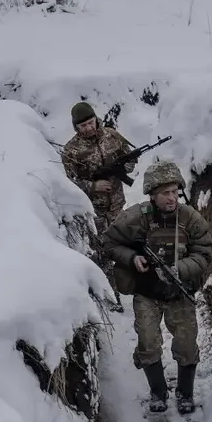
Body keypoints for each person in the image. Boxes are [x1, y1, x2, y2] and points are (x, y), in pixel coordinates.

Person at [102, 159, 212, 414]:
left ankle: (185, 394)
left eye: (175, 192)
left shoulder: (190, 219)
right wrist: (132, 258)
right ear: (152, 194)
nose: (171, 198)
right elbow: (109, 243)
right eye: (165, 193)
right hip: (147, 294)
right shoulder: (135, 218)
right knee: (148, 343)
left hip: (179, 293)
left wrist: (180, 270)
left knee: (186, 345)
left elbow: (205, 252)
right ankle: (158, 392)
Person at [60, 101, 137, 312]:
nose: (88, 128)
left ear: (96, 119)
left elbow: (129, 156)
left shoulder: (112, 135)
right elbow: (68, 184)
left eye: (91, 122)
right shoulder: (71, 151)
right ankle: (111, 299)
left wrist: (126, 165)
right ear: (76, 127)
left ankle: (128, 284)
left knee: (122, 244)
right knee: (103, 252)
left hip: (117, 205)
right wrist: (93, 186)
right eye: (83, 125)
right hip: (94, 211)